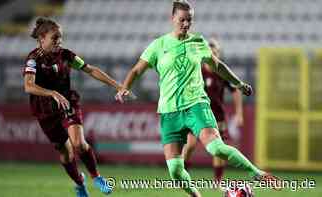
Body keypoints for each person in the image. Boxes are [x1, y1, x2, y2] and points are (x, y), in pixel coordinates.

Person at [115, 1, 280, 196]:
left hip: (196, 105)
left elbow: (218, 66)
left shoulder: (198, 42)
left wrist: (239, 83)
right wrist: (124, 88)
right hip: (169, 112)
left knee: (217, 148)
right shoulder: (158, 45)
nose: (186, 24)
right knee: (175, 171)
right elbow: (136, 70)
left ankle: (257, 173)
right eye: (182, 20)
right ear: (172, 19)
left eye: (189, 20)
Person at [23, 17, 123, 197]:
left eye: (60, 37)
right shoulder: (33, 59)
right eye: (55, 38)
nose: (59, 41)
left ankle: (96, 176)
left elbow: (90, 69)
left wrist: (117, 85)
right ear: (42, 38)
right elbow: (28, 86)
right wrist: (52, 93)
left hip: (67, 103)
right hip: (45, 111)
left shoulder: (66, 55)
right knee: (66, 154)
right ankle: (80, 182)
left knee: (78, 143)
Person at [182, 38, 244, 182]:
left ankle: (218, 181)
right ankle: (182, 174)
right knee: (190, 145)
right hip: (197, 114)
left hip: (217, 116)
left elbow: (236, 91)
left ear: (218, 53)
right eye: (210, 51)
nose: (212, 53)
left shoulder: (222, 72)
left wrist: (239, 113)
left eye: (215, 51)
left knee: (218, 150)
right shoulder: (197, 71)